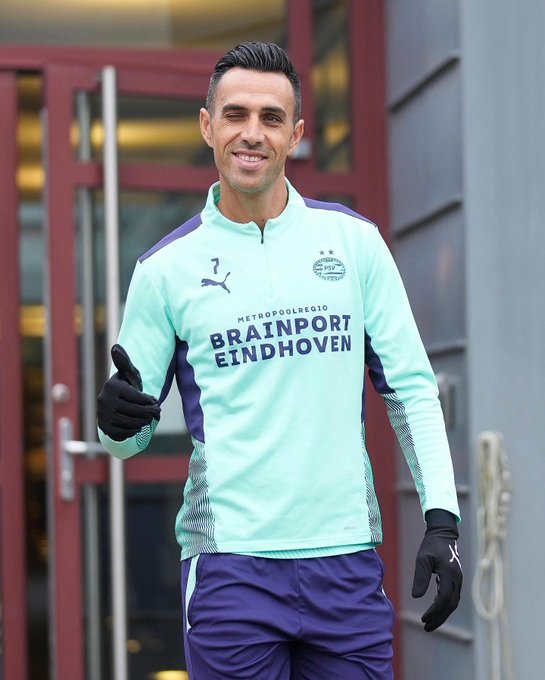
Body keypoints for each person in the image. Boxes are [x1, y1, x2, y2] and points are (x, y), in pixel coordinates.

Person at [97, 41, 462, 679]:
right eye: (235, 114)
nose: (251, 133)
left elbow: (410, 389)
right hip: (230, 566)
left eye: (271, 118)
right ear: (207, 126)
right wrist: (114, 423)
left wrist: (443, 521)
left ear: (295, 134)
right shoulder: (164, 270)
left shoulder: (355, 243)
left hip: (344, 560)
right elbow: (127, 442)